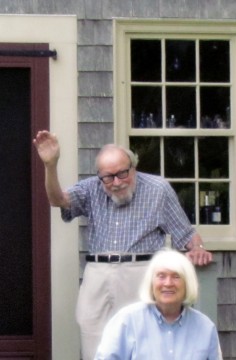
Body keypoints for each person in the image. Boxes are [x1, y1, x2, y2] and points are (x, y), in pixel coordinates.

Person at [32, 130, 213, 360]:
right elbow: (58, 200)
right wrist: (51, 165)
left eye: (122, 174)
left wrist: (197, 248)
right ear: (99, 176)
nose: (116, 182)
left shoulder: (158, 189)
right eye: (108, 177)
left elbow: (186, 233)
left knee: (141, 343)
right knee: (94, 342)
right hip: (98, 274)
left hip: (141, 272)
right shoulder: (91, 188)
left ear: (133, 168)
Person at [95, 249, 222, 360]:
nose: (168, 283)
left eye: (176, 277)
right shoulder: (127, 321)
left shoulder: (205, 327)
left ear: (187, 283)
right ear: (151, 283)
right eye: (161, 276)